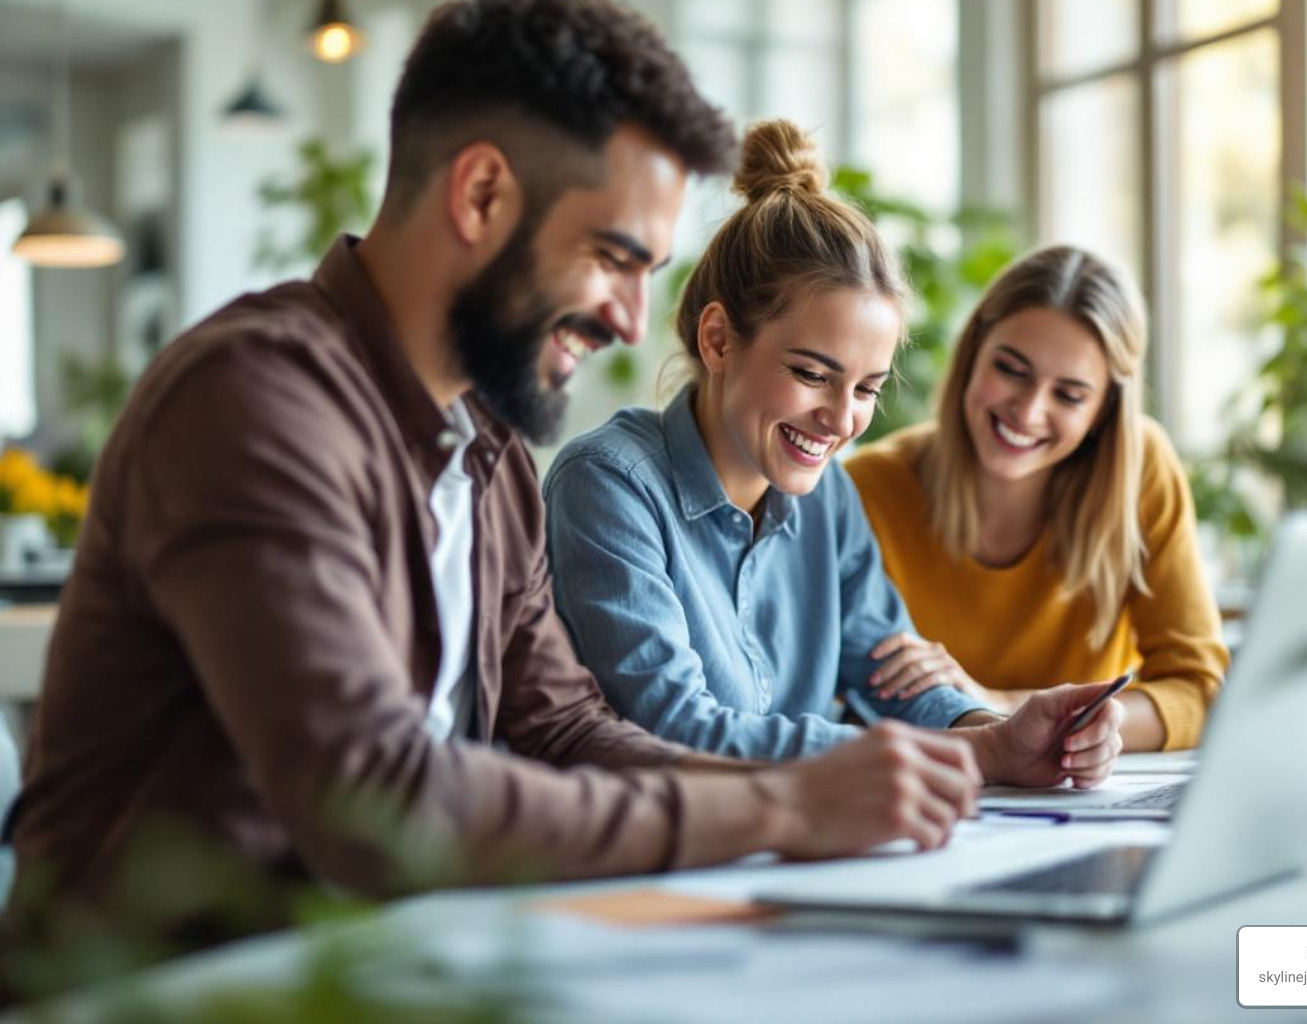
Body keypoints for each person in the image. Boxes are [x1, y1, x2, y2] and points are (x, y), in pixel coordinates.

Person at [2, 0, 992, 947]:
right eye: (613, 256)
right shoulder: (254, 399)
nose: (634, 322)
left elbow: (563, 726)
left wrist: (808, 798)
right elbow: (372, 796)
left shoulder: (492, 451)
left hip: (387, 958)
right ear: (480, 195)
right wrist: (780, 802)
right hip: (164, 983)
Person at [543, 121, 1127, 785]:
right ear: (718, 340)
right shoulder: (609, 484)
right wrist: (977, 755)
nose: (842, 419)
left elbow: (895, 676)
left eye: (868, 388)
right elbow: (674, 729)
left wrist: (996, 731)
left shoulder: (826, 494)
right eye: (812, 375)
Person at [845, 246, 1230, 751]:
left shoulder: (1141, 471)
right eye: (1011, 369)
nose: (1027, 412)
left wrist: (1010, 710)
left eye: (1068, 395)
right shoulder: (868, 487)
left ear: (1103, 411)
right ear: (973, 352)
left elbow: (1198, 691)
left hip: (1078, 804)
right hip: (923, 791)